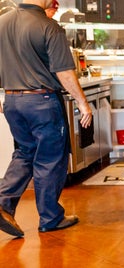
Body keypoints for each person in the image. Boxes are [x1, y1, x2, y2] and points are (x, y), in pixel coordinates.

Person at [0, 0, 92, 237]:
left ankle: (3, 203)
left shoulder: (2, 21)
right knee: (51, 158)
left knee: (25, 152)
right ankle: (51, 217)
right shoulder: (48, 26)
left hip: (12, 101)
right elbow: (63, 71)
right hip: (41, 101)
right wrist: (82, 103)